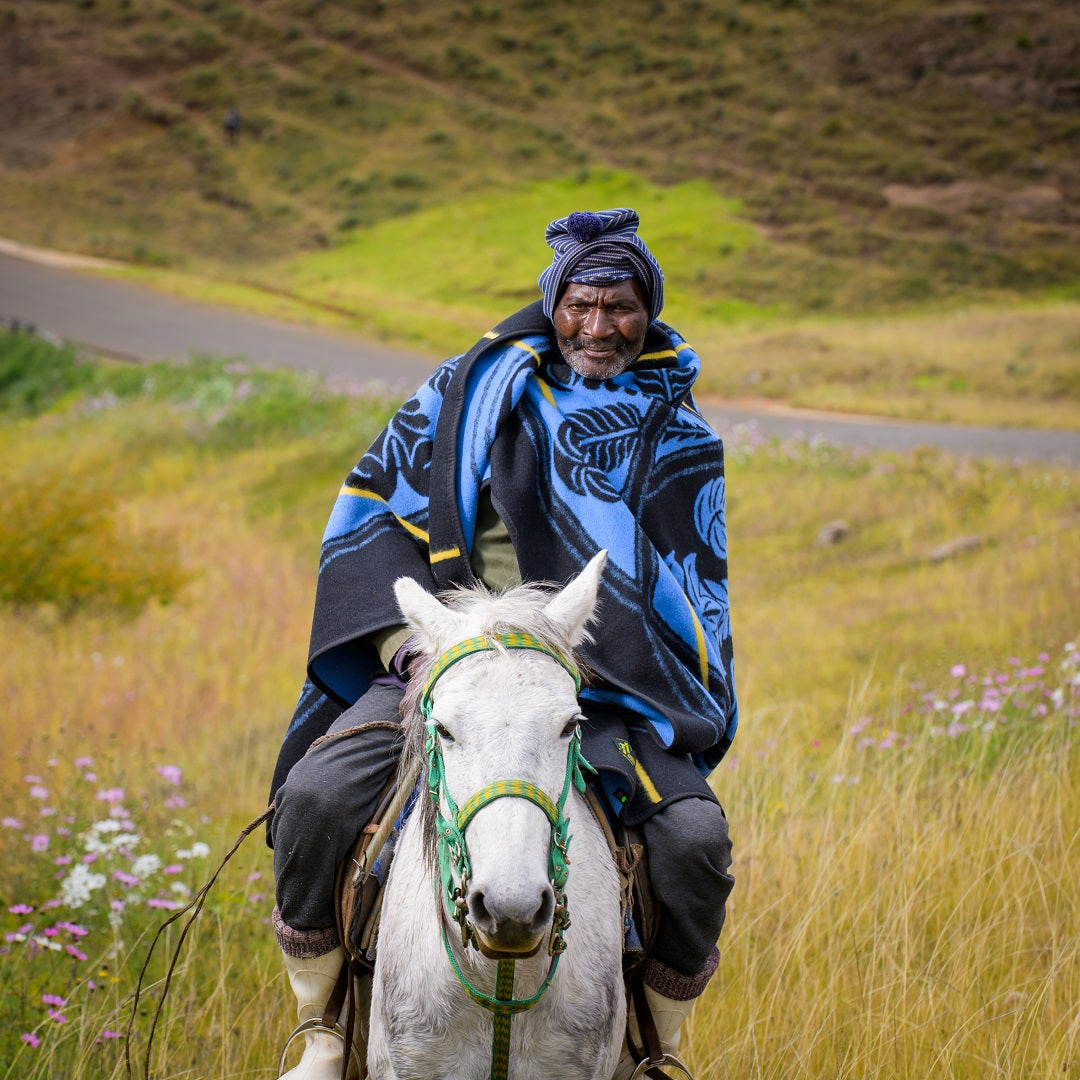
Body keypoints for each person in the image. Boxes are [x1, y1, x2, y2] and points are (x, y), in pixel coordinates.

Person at [267, 207, 738, 1079]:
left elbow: (687, 591)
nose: (599, 326)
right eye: (581, 304)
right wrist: (413, 650)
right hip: (450, 662)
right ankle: (322, 1026)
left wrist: (634, 674)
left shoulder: (679, 432)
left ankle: (656, 1048)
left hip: (597, 687)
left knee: (695, 845)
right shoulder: (465, 395)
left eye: (622, 306)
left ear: (650, 310)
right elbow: (374, 515)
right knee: (317, 799)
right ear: (553, 305)